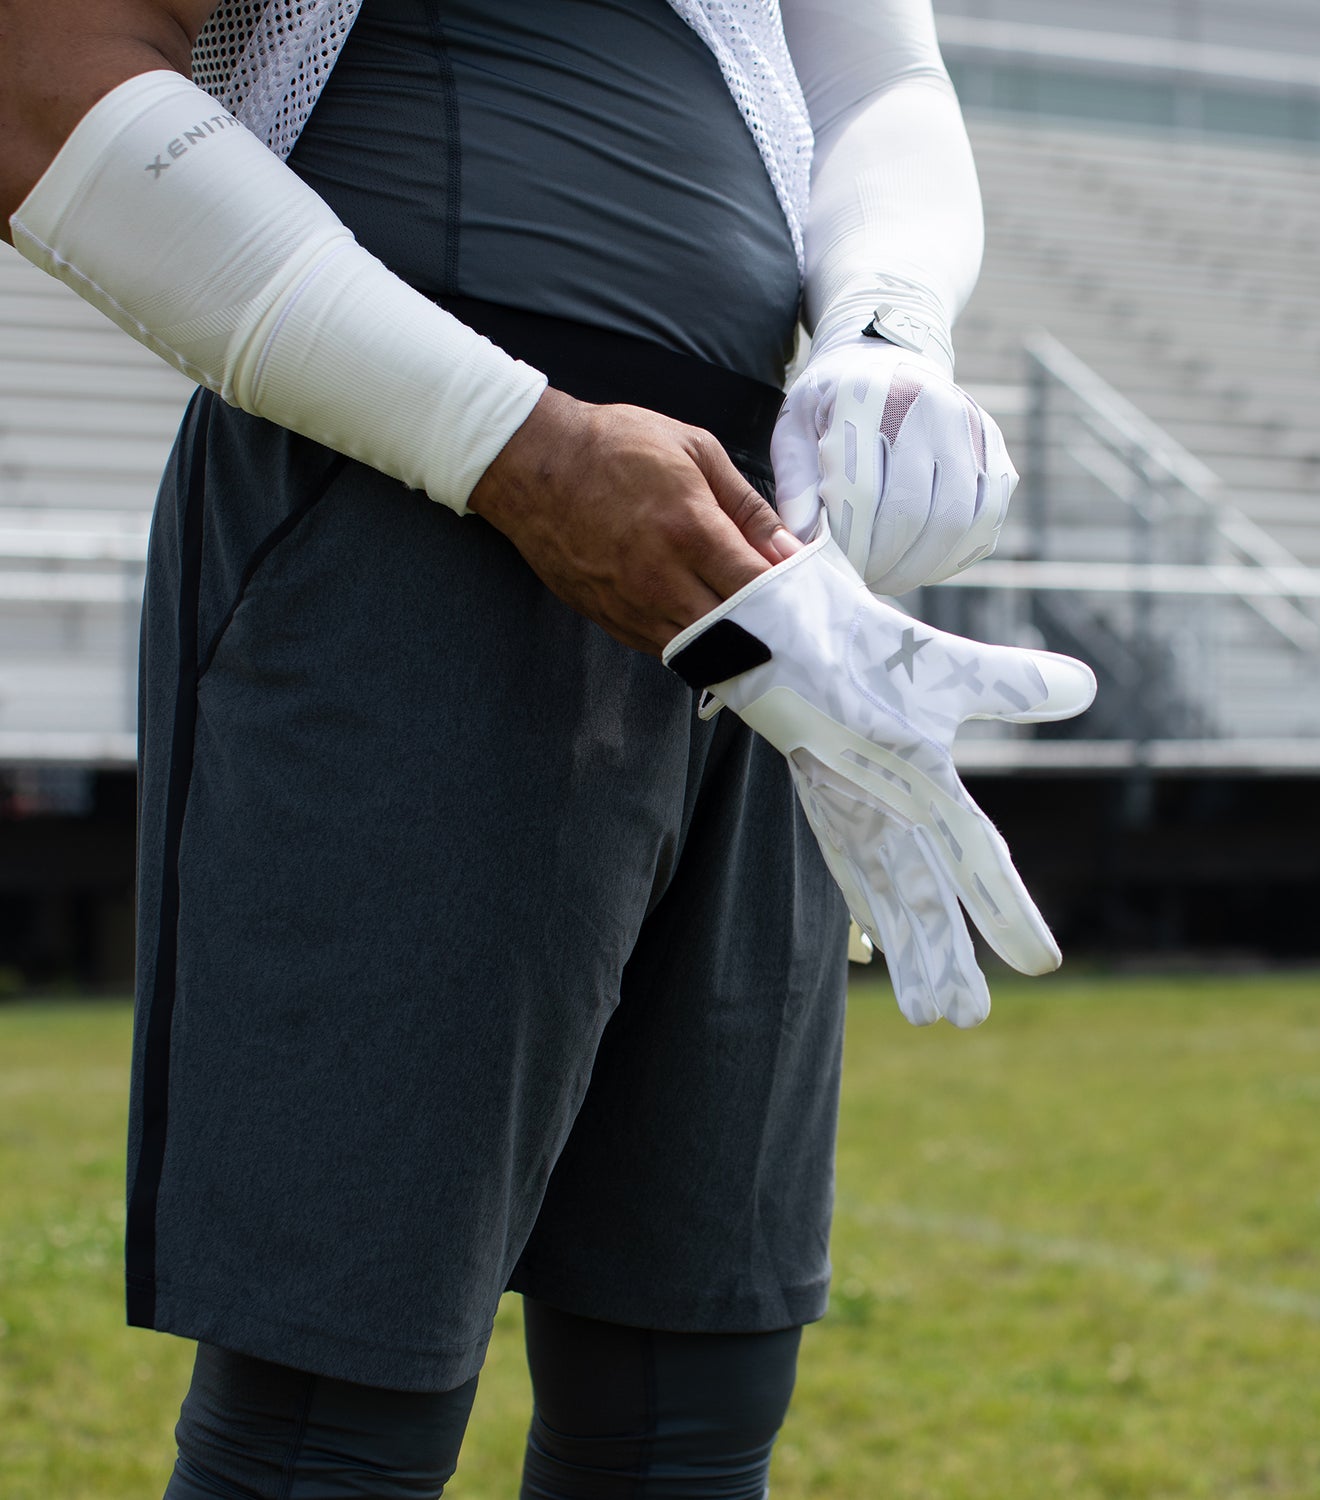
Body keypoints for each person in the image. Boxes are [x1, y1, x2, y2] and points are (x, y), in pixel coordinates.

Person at [0, 1, 1049, 1493]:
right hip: (402, 487)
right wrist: (518, 446)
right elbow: (45, 78)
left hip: (758, 550)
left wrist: (889, 326)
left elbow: (877, 68)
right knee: (334, 1417)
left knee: (690, 1394)